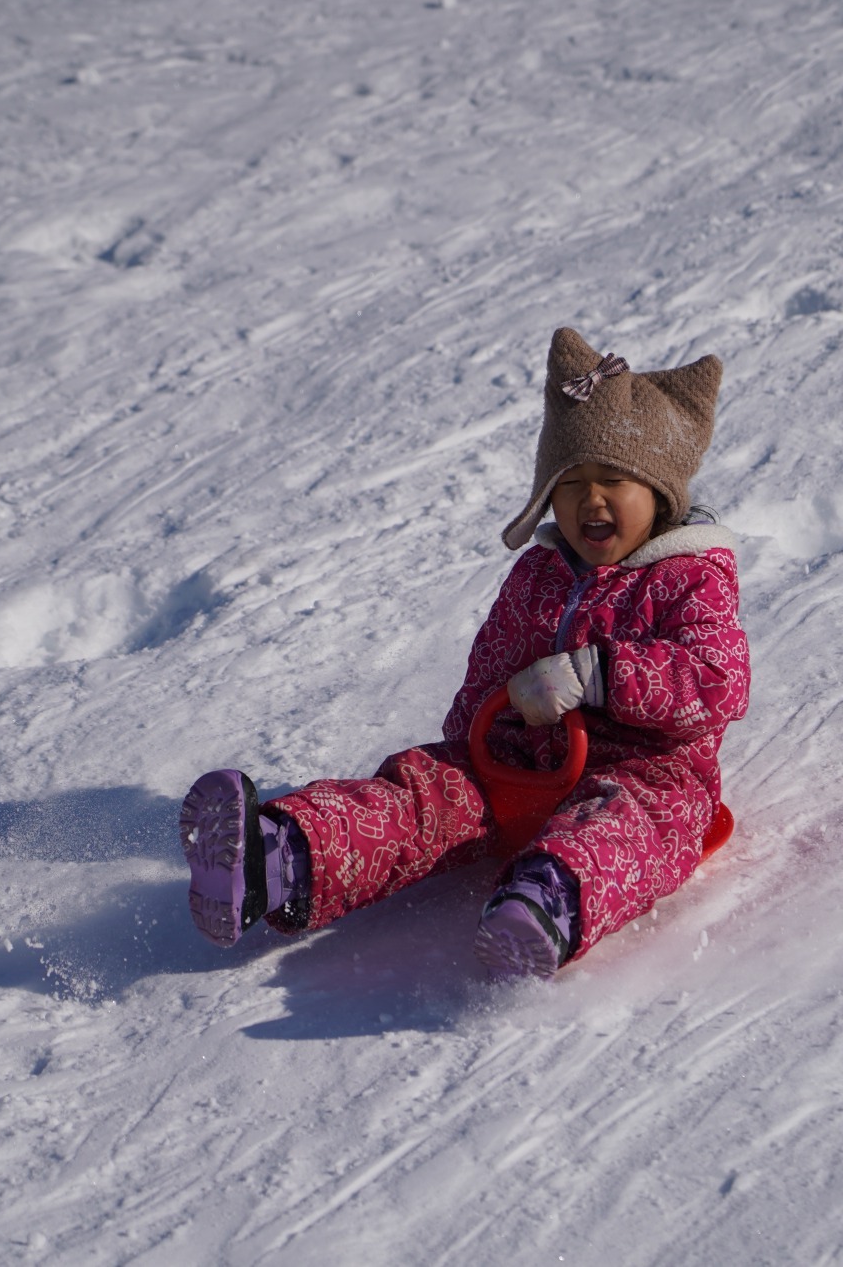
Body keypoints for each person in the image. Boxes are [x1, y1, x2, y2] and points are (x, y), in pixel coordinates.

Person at [179, 326, 751, 978]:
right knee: (421, 792)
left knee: (622, 831)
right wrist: (471, 741)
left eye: (614, 479)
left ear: (660, 494)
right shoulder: (539, 572)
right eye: (571, 482)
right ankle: (275, 858)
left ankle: (545, 903)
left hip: (645, 776)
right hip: (517, 761)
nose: (591, 499)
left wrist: (597, 675)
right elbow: (493, 658)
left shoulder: (689, 577)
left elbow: (719, 679)